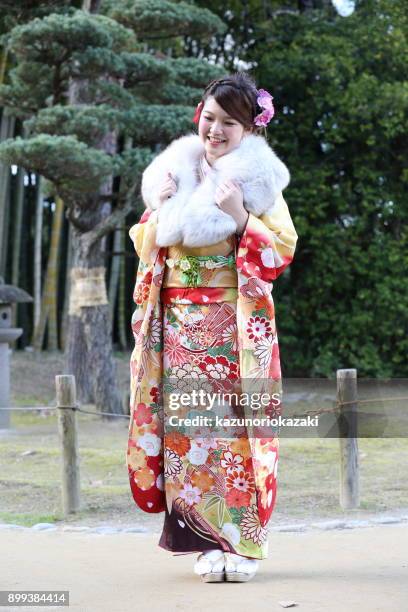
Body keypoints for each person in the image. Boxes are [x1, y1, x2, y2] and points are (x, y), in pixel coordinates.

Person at [127, 72, 298, 582]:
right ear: (197, 116)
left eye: (230, 122)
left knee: (236, 435)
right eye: (210, 118)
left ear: (249, 128)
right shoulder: (175, 171)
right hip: (179, 330)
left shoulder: (259, 179)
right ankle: (205, 541)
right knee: (190, 435)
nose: (216, 129)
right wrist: (159, 209)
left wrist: (242, 217)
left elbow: (283, 248)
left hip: (234, 331)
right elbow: (144, 242)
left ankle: (244, 543)